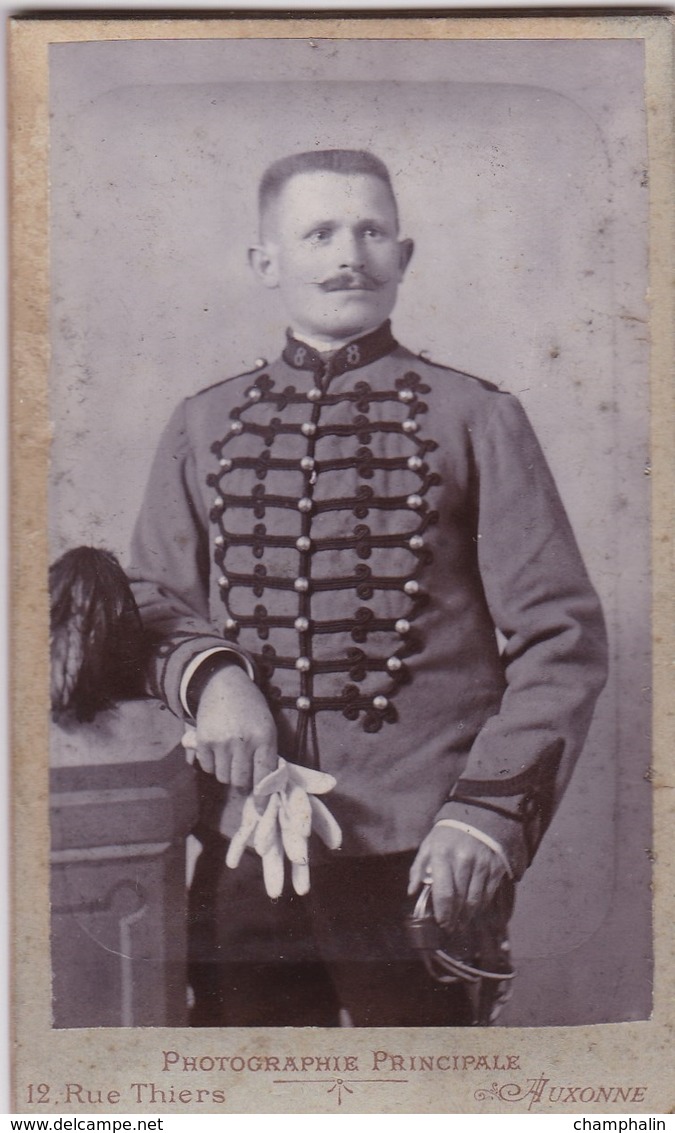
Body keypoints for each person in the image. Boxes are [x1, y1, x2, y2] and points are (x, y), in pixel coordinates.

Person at [129, 149, 608, 1027]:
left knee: (423, 1095)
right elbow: (153, 598)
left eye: (371, 230)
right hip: (243, 834)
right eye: (318, 232)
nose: (349, 252)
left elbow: (561, 639)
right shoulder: (201, 422)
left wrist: (483, 819)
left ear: (404, 253)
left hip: (420, 839)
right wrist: (216, 679)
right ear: (264, 262)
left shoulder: (478, 416)